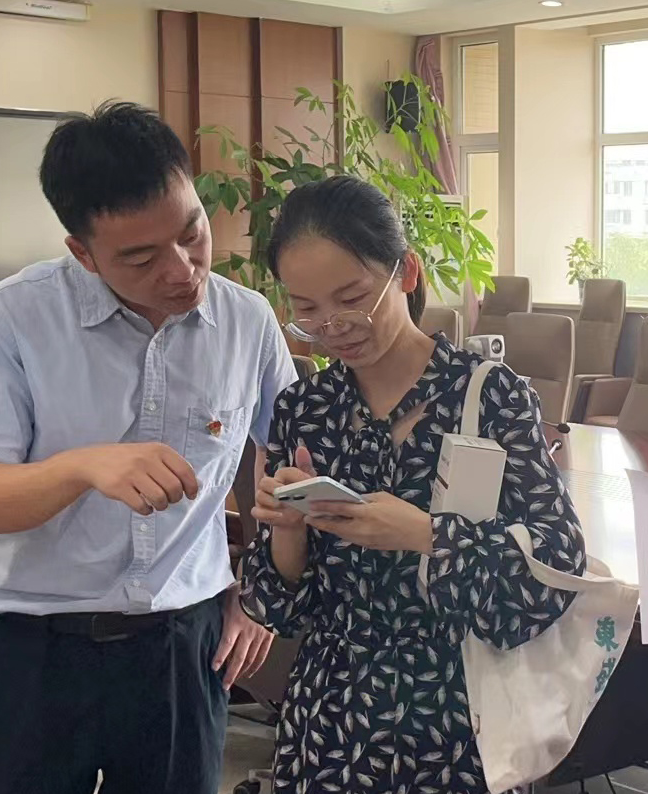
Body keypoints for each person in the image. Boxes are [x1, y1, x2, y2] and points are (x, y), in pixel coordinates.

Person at [0, 102, 297, 794]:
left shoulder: (247, 321)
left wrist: (260, 595)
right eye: (140, 257)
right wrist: (83, 466)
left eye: (192, 234)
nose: (181, 269)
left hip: (181, 652)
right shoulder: (8, 320)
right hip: (37, 655)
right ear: (82, 253)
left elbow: (279, 466)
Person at [240, 174, 586, 793]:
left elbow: (556, 566)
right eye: (306, 310)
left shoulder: (490, 397)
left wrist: (425, 534)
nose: (333, 326)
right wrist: (287, 531)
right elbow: (277, 607)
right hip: (332, 720)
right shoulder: (304, 408)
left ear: (406, 271)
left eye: (352, 297)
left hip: (460, 719)